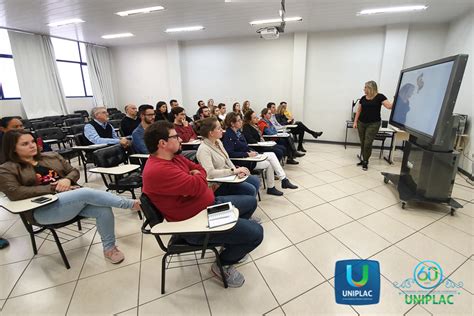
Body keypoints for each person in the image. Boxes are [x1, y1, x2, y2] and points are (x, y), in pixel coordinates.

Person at [142, 121, 263, 287]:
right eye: (175, 136)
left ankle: (230, 243)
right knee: (256, 233)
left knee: (250, 202)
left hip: (207, 206)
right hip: (195, 224)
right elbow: (200, 183)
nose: (180, 139)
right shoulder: (159, 170)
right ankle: (223, 264)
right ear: (162, 143)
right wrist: (196, 177)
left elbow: (200, 170)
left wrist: (196, 176)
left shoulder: (174, 157)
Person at [0, 129, 141, 263]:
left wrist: (67, 180)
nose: (32, 145)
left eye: (32, 141)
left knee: (103, 209)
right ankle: (132, 204)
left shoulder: (51, 156)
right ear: (12, 148)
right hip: (42, 209)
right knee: (84, 192)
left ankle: (109, 248)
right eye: (25, 144)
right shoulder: (6, 168)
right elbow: (15, 192)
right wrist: (52, 187)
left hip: (71, 201)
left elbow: (73, 171)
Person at [223, 113, 297, 196]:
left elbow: (246, 146)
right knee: (271, 156)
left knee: (270, 161)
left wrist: (252, 152)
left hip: (249, 158)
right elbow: (230, 154)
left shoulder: (238, 133)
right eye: (239, 120)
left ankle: (273, 186)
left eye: (241, 120)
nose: (241, 122)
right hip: (242, 161)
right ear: (232, 123)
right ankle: (282, 181)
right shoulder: (228, 135)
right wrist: (247, 154)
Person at [196, 117, 261, 198]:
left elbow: (227, 159)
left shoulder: (218, 142)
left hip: (229, 176)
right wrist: (234, 171)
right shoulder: (204, 149)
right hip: (218, 184)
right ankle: (246, 204)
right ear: (211, 133)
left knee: (255, 181)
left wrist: (237, 171)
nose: (222, 130)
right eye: (219, 128)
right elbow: (210, 173)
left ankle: (247, 204)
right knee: (250, 190)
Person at [133, 105, 197, 161]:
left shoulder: (156, 128)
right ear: (142, 116)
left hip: (170, 152)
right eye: (150, 115)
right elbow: (147, 151)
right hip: (160, 157)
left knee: (196, 153)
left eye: (154, 114)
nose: (153, 117)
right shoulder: (137, 133)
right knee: (195, 153)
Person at [353, 80, 392, 170]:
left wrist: (397, 98)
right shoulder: (363, 98)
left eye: (365, 87)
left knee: (367, 143)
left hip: (373, 124)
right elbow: (359, 111)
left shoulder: (380, 97)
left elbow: (389, 106)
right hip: (361, 123)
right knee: (363, 142)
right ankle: (363, 159)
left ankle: (366, 161)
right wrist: (355, 122)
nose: (364, 89)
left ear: (371, 88)